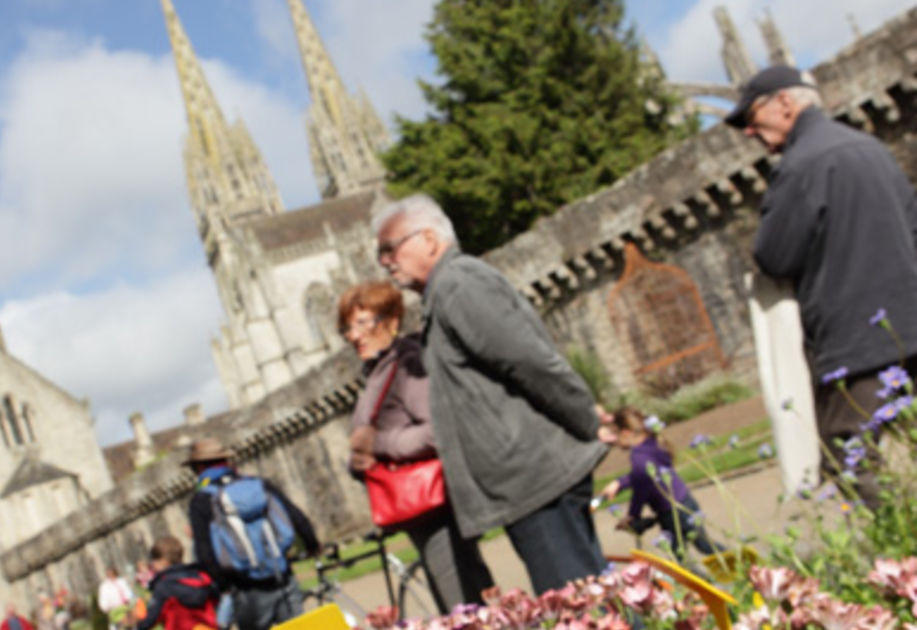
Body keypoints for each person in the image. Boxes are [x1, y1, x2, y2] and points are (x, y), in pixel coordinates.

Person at [373, 193, 611, 595]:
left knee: (583, 611)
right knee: (591, 605)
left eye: (390, 248)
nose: (384, 261)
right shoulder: (444, 292)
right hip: (529, 486)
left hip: (539, 482)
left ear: (429, 239)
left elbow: (532, 363)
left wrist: (587, 420)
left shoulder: (458, 284)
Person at [725, 65, 917, 508]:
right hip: (907, 324)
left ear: (785, 104)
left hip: (855, 347)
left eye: (753, 118)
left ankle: (902, 560)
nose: (750, 131)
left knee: (851, 458)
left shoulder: (800, 165)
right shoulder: (869, 147)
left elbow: (774, 257)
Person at [339, 280, 495, 611]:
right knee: (459, 604)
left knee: (463, 607)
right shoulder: (376, 372)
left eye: (362, 323)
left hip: (437, 507)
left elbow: (437, 432)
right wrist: (358, 460)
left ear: (392, 320)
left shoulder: (407, 362)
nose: (353, 335)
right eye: (347, 328)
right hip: (419, 511)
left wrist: (379, 442)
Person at [185, 437, 320, 630]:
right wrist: (312, 546)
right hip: (282, 576)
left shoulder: (202, 500)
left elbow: (204, 551)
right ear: (227, 461)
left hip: (245, 587)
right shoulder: (258, 484)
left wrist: (224, 585)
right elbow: (296, 517)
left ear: (198, 468)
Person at [601, 408, 721, 558]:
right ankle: (746, 566)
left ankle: (745, 566)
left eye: (615, 436)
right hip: (685, 502)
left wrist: (632, 515)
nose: (614, 442)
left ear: (625, 433)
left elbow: (641, 490)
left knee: (685, 558)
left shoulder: (639, 458)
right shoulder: (652, 443)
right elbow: (645, 474)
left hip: (672, 513)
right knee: (700, 547)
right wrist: (619, 482)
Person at [132, 536, 219, 630]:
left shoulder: (164, 586)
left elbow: (152, 617)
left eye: (153, 560)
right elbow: (216, 598)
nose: (152, 565)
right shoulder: (201, 576)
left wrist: (139, 626)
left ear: (163, 561)